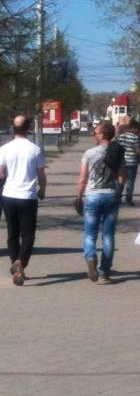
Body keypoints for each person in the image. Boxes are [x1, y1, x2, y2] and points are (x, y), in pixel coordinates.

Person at [0, 115, 46, 285]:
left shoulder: (5, 149)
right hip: (28, 198)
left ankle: (16, 269)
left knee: (12, 234)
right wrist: (42, 190)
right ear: (28, 128)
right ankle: (20, 263)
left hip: (9, 196)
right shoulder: (35, 149)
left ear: (13, 128)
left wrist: (7, 176)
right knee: (28, 235)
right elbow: (41, 175)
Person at [76, 120, 126, 284]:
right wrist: (118, 192)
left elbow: (83, 178)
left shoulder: (90, 153)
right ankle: (104, 272)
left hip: (92, 196)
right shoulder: (117, 152)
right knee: (108, 236)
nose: (94, 135)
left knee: (90, 234)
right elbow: (122, 176)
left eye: (95, 132)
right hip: (111, 195)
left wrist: (78, 196)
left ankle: (91, 257)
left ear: (103, 134)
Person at [116, 118, 139, 206]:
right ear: (133, 127)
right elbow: (137, 151)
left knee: (120, 181)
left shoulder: (121, 137)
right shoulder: (135, 137)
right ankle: (128, 200)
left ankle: (118, 198)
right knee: (130, 182)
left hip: (122, 162)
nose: (137, 130)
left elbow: (118, 148)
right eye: (137, 128)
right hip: (132, 162)